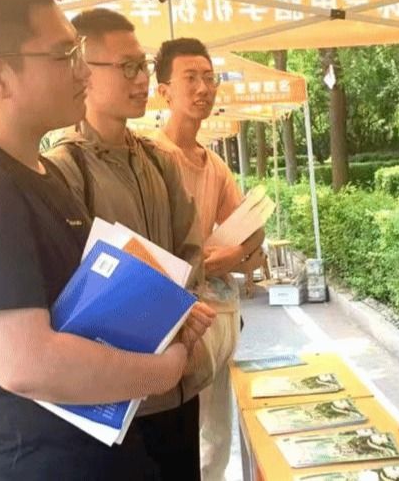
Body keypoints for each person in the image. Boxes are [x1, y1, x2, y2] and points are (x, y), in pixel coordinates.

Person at [0, 0, 205, 480]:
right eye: (63, 55)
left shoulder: (41, 171)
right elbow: (28, 363)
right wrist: (162, 371)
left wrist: (165, 317)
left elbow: (79, 309)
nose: (82, 73)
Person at [44, 8, 216, 481]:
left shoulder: (159, 162)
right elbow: (73, 290)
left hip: (178, 384)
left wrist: (180, 323)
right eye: (128, 67)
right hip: (116, 403)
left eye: (143, 66)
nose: (142, 79)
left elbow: (190, 252)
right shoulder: (63, 170)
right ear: (84, 69)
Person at [151, 37, 265, 481]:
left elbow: (251, 242)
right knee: (179, 437)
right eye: (190, 78)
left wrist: (235, 254)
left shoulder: (213, 165)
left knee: (216, 438)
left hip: (218, 318)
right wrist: (219, 260)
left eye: (209, 78)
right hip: (173, 321)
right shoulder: (148, 157)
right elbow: (156, 255)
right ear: (164, 91)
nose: (203, 88)